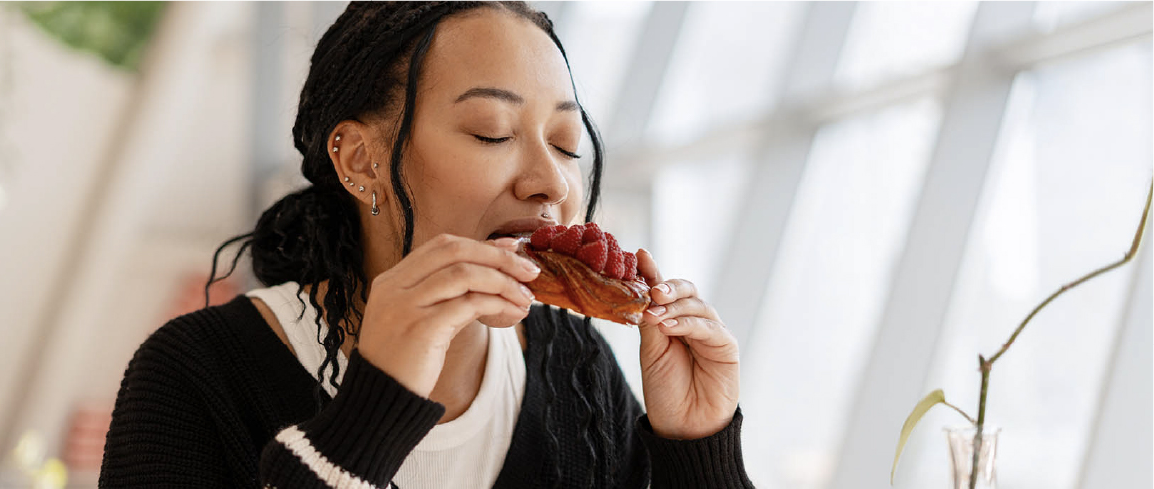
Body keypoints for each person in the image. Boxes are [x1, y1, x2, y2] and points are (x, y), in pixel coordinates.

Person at [99, 2, 753, 488]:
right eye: (492, 132)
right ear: (360, 159)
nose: (551, 180)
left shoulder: (577, 369)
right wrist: (369, 414)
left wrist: (697, 448)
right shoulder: (194, 373)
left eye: (565, 143)